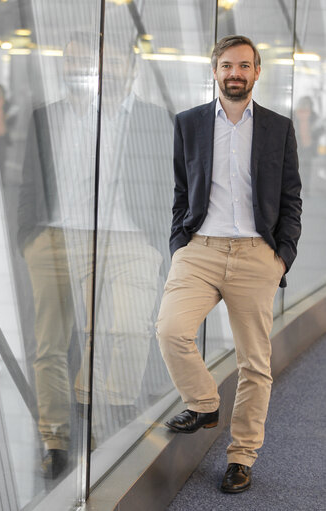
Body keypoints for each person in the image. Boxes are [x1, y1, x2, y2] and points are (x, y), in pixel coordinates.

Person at [156, 35, 302, 493]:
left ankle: (241, 456)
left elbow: (290, 197)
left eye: (243, 65)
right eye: (226, 65)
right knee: (170, 329)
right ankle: (204, 401)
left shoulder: (279, 128)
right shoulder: (189, 123)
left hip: (258, 254)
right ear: (214, 71)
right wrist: (180, 242)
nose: (234, 73)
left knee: (254, 363)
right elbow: (183, 191)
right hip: (199, 249)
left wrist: (283, 256)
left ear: (257, 72)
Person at [18, 33, 165, 479]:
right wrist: (29, 237)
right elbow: (30, 181)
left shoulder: (155, 120)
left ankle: (99, 422)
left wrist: (158, 238)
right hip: (56, 237)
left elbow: (167, 184)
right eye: (80, 61)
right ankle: (56, 441)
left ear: (131, 66)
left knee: (123, 332)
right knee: (48, 343)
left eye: (112, 61)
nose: (102, 70)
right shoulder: (49, 116)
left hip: (126, 237)